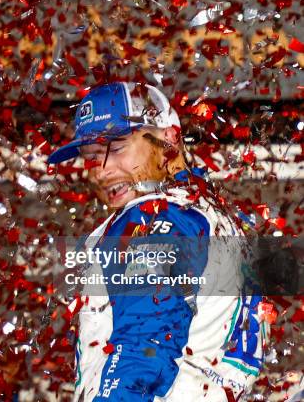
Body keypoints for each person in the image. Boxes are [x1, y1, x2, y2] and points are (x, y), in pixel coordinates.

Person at [48, 82, 266, 401]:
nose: (101, 170)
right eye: (90, 156)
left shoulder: (151, 218)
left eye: (117, 146)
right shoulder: (209, 213)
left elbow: (144, 347)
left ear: (168, 139)